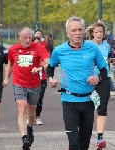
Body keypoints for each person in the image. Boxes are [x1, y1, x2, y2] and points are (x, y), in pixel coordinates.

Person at [46, 16, 108, 150]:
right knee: (74, 143)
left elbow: (104, 70)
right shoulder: (59, 50)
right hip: (69, 100)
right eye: (74, 30)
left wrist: (98, 78)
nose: (77, 33)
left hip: (88, 100)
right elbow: (50, 67)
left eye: (80, 29)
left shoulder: (92, 48)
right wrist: (50, 78)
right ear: (68, 32)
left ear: (84, 31)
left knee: (84, 145)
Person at [3, 27, 50, 150]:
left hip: (34, 84)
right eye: (25, 38)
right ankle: (24, 138)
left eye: (30, 37)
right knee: (22, 108)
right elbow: (10, 64)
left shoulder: (38, 47)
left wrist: (40, 68)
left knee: (32, 112)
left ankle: (30, 128)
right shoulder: (13, 49)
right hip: (19, 83)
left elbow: (47, 61)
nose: (29, 40)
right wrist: (6, 78)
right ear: (20, 37)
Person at [86, 21, 111, 150]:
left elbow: (110, 59)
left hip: (104, 80)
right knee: (86, 108)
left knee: (102, 108)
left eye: (101, 32)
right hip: (89, 80)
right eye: (96, 32)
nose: (99, 34)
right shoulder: (87, 45)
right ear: (92, 33)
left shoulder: (107, 47)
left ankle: (100, 138)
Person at [32, 37, 49, 125]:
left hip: (42, 79)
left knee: (39, 98)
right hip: (31, 80)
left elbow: (48, 64)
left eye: (39, 43)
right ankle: (30, 116)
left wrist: (42, 67)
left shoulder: (43, 53)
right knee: (31, 99)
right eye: (35, 43)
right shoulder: (30, 54)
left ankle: (37, 117)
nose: (37, 44)